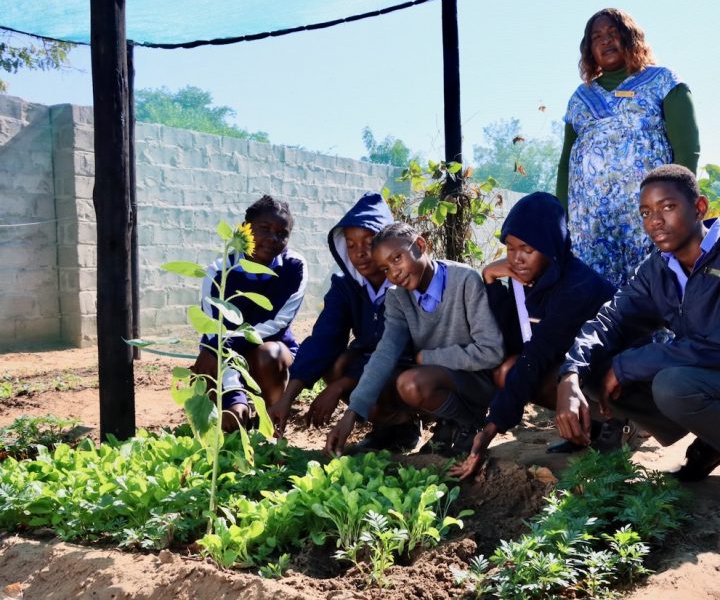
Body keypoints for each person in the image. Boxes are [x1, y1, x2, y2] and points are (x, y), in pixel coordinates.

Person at [555, 165, 720, 509]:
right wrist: (570, 375)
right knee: (596, 369)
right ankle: (716, 440)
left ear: (699, 208)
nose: (655, 220)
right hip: (707, 379)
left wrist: (631, 363)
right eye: (646, 212)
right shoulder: (658, 267)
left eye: (667, 207)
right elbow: (611, 319)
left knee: (672, 385)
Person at [449, 192, 616, 480]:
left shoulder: (578, 287)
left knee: (522, 368)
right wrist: (489, 278)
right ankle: (589, 429)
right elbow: (513, 339)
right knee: (508, 368)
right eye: (510, 248)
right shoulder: (529, 279)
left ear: (550, 246)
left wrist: (489, 430)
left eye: (526, 248)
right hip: (570, 366)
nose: (516, 258)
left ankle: (614, 424)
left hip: (613, 375)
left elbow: (535, 355)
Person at [324, 222, 504, 457]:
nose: (394, 272)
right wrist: (351, 415)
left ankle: (470, 423)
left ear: (420, 245)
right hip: (438, 380)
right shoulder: (397, 297)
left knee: (412, 382)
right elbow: (385, 352)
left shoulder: (464, 280)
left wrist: (427, 357)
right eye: (385, 268)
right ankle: (446, 424)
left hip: (476, 381)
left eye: (397, 258)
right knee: (391, 377)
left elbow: (491, 351)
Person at [555, 8, 700, 288]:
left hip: (649, 220)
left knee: (656, 290)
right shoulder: (579, 98)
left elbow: (688, 147)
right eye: (597, 37)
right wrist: (561, 223)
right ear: (589, 49)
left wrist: (680, 208)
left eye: (613, 33)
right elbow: (565, 164)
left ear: (631, 38)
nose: (606, 41)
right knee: (597, 299)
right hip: (592, 229)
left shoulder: (664, 82)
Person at [267, 192, 420, 450]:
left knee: (378, 377)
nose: (359, 253)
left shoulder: (405, 282)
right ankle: (384, 427)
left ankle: (405, 424)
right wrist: (287, 397)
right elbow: (325, 338)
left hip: (406, 363)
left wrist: (339, 387)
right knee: (336, 363)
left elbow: (398, 350)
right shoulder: (345, 285)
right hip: (368, 361)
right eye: (350, 244)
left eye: (369, 242)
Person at [192, 195, 307, 431]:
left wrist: (229, 345)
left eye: (282, 233)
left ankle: (273, 423)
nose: (272, 238)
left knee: (269, 353)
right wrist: (234, 393)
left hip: (269, 355)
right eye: (264, 228)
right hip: (223, 354)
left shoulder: (294, 267)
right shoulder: (219, 271)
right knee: (220, 401)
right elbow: (214, 330)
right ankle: (236, 421)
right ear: (245, 229)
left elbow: (279, 324)